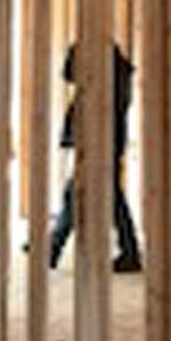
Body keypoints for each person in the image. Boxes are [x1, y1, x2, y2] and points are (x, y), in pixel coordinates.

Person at [48, 42, 142, 273]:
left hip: (100, 140)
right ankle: (129, 251)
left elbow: (68, 73)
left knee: (80, 194)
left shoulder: (106, 71)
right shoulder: (116, 71)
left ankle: (53, 247)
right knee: (105, 196)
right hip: (105, 140)